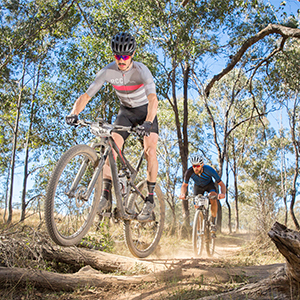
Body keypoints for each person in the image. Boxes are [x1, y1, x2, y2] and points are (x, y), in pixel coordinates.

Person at [65, 32, 159, 222]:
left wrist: (148, 122)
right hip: (125, 112)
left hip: (145, 112)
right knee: (111, 150)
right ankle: (106, 196)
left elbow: (153, 99)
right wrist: (73, 113)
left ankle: (150, 199)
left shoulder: (142, 71)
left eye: (125, 56)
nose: (121, 60)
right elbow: (86, 96)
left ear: (132, 54)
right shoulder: (108, 71)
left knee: (150, 150)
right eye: (117, 56)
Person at [179, 154, 226, 236]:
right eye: (194, 166)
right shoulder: (189, 172)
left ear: (202, 165)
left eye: (198, 166)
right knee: (197, 206)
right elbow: (184, 185)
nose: (195, 168)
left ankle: (213, 223)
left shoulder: (209, 170)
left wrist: (222, 194)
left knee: (213, 197)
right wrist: (182, 194)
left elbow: (221, 184)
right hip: (198, 187)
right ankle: (197, 233)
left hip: (209, 185)